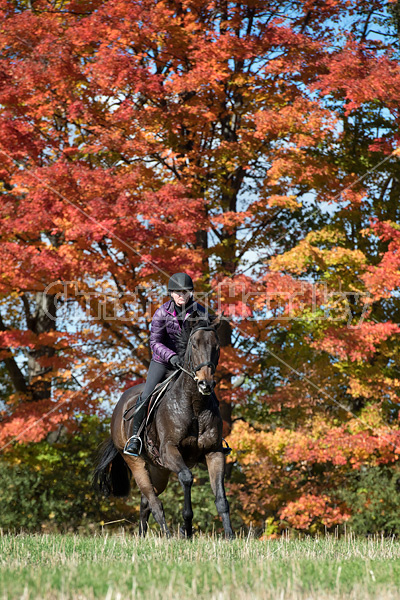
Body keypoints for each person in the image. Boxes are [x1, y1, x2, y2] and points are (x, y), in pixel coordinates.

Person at [124, 272, 207, 456]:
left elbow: (205, 341)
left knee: (207, 391)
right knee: (146, 395)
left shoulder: (201, 312)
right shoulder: (161, 313)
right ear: (171, 293)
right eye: (177, 292)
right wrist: (171, 357)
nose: (181, 296)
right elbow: (155, 343)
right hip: (163, 362)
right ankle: (135, 438)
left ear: (191, 293)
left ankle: (215, 436)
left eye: (185, 292)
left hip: (190, 364)